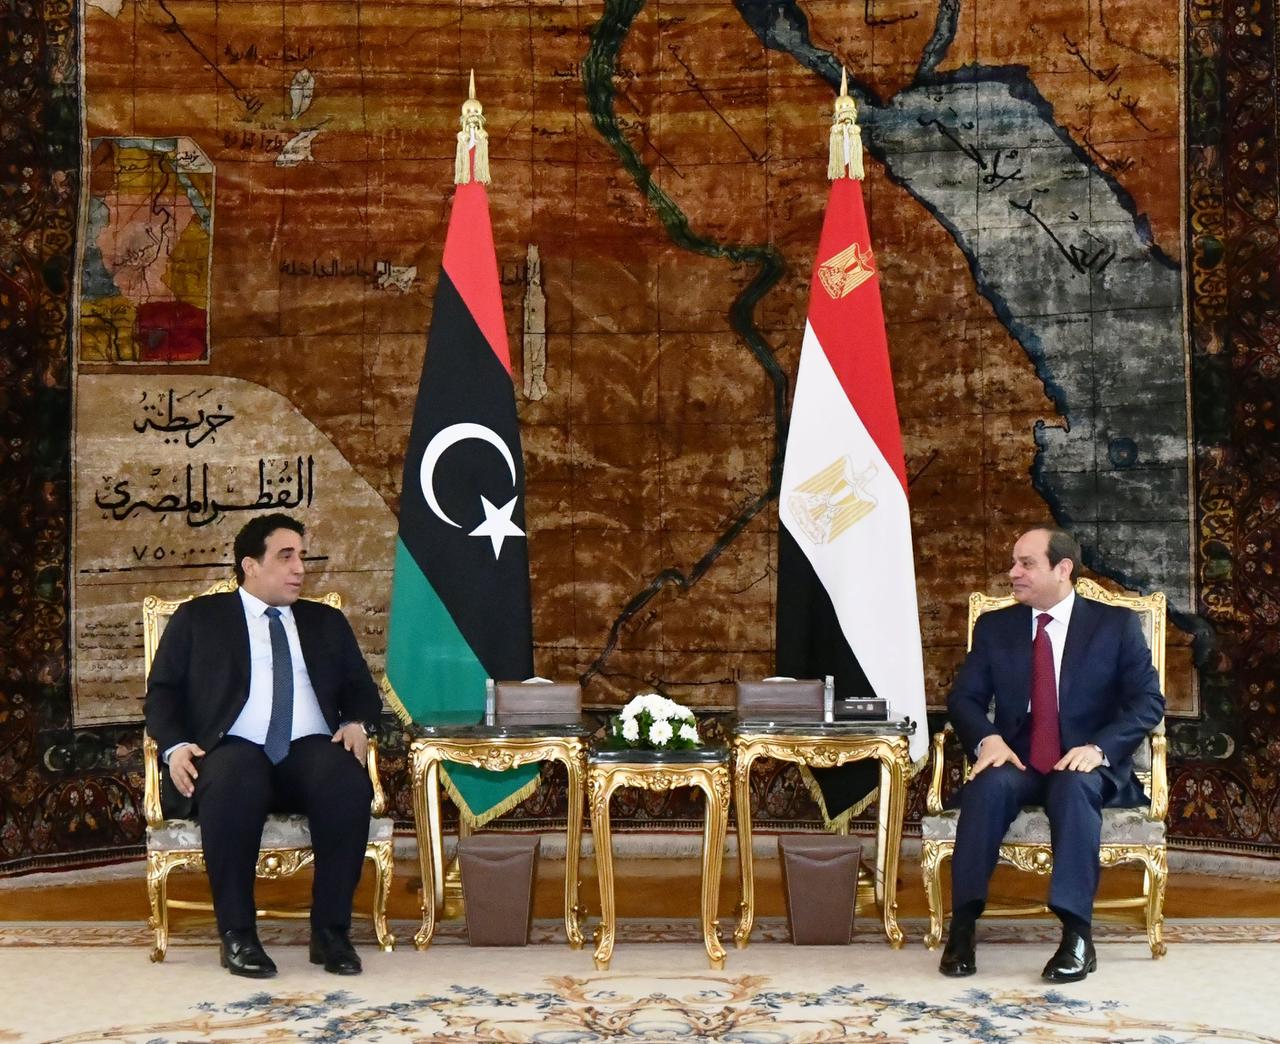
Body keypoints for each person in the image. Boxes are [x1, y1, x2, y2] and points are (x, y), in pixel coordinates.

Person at [145, 513, 382, 979]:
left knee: (346, 781)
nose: (299, 568)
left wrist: (356, 722)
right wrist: (175, 747)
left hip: (308, 749)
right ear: (250, 565)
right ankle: (238, 936)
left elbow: (361, 688)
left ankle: (331, 933)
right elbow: (162, 693)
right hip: (233, 749)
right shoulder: (199, 618)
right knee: (233, 776)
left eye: (302, 557)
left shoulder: (325, 621)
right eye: (285, 557)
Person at [938, 526, 1164, 982]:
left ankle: (1077, 935)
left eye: (1026, 564)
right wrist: (987, 739)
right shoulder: (996, 627)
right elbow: (964, 699)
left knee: (1074, 788)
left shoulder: (1114, 625)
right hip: (1018, 758)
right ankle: (961, 928)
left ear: (1062, 569)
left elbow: (1148, 702)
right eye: (1014, 563)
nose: (1013, 573)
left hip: (1081, 760)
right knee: (986, 786)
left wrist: (1100, 749)